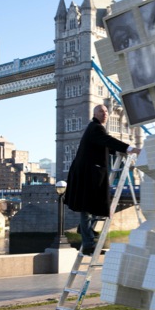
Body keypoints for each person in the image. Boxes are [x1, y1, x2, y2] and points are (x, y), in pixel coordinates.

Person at [64, 104, 141, 255]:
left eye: (106, 111)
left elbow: (106, 146)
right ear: (94, 114)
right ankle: (88, 244)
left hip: (87, 172)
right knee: (87, 207)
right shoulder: (96, 128)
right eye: (101, 111)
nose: (104, 113)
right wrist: (130, 149)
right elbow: (108, 141)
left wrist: (119, 150)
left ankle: (86, 230)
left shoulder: (94, 129)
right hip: (87, 173)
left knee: (93, 204)